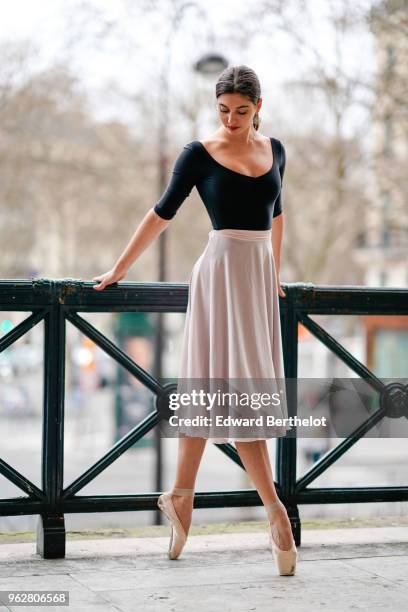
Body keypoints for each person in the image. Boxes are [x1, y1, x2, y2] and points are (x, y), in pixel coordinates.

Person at [92, 65, 297, 576]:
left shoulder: (277, 150)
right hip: (220, 272)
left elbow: (277, 213)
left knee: (219, 390)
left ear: (259, 108)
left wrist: (274, 271)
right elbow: (161, 213)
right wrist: (120, 268)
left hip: (256, 278)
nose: (231, 120)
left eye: (241, 112)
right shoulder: (197, 154)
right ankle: (276, 515)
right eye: (223, 111)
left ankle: (183, 496)